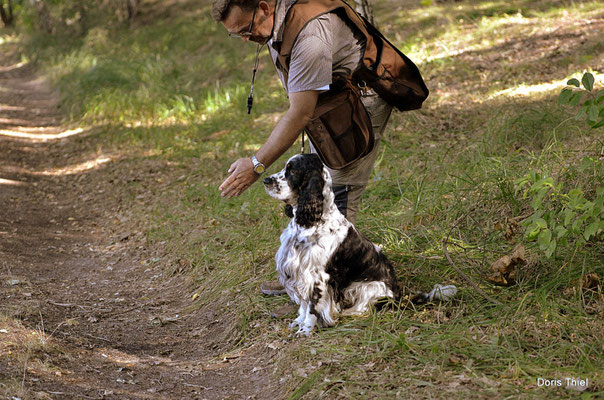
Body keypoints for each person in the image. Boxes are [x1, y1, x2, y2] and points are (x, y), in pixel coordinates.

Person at [211, 0, 397, 309]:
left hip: (360, 101)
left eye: (246, 29)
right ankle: (304, 274)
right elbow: (301, 103)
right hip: (330, 103)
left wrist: (256, 165)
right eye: (237, 35)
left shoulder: (309, 36)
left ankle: (326, 290)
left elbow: (299, 114)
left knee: (339, 189)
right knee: (315, 182)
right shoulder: (274, 26)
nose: (246, 39)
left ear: (264, 6)